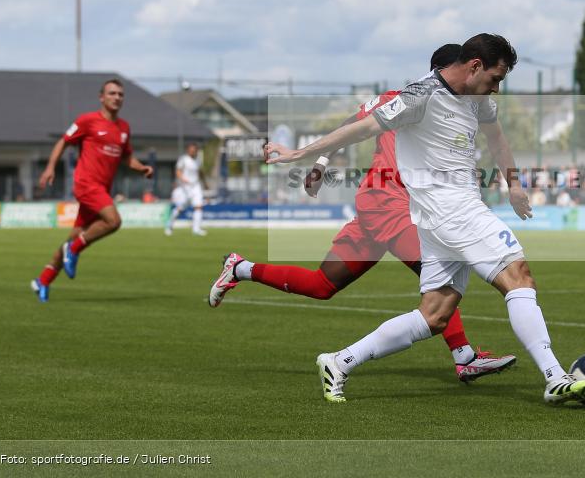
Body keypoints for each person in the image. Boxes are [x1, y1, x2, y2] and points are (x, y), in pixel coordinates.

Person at [258, 33, 585, 405]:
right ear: (474, 67)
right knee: (518, 276)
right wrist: (301, 155)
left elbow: (497, 140)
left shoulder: (480, 99)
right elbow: (362, 126)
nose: (497, 89)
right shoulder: (420, 97)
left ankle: (339, 362)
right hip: (454, 212)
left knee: (434, 315)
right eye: (495, 79)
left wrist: (514, 186)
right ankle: (555, 376)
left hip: (435, 221)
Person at [209, 44, 517, 384]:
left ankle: (240, 267)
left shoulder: (457, 109)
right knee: (435, 269)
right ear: (449, 70)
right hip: (387, 202)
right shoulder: (408, 98)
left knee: (322, 284)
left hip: (391, 208)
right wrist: (319, 162)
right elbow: (352, 124)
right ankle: (465, 357)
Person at [32, 79, 154, 302]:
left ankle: (43, 279)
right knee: (114, 221)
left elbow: (127, 157)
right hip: (86, 184)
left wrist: (142, 168)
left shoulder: (123, 128)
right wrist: (50, 168)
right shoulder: (87, 121)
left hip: (101, 190)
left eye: (120, 94)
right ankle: (75, 249)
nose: (117, 97)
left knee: (73, 237)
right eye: (112, 93)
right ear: (102, 97)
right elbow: (63, 141)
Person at [165, 143, 207, 236]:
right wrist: (183, 179)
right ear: (188, 150)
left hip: (196, 186)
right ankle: (169, 225)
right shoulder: (183, 159)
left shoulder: (198, 160)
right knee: (180, 208)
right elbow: (178, 171)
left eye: (194, 150)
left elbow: (200, 172)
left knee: (198, 206)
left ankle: (196, 229)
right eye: (191, 150)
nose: (193, 152)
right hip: (185, 187)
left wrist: (205, 183)